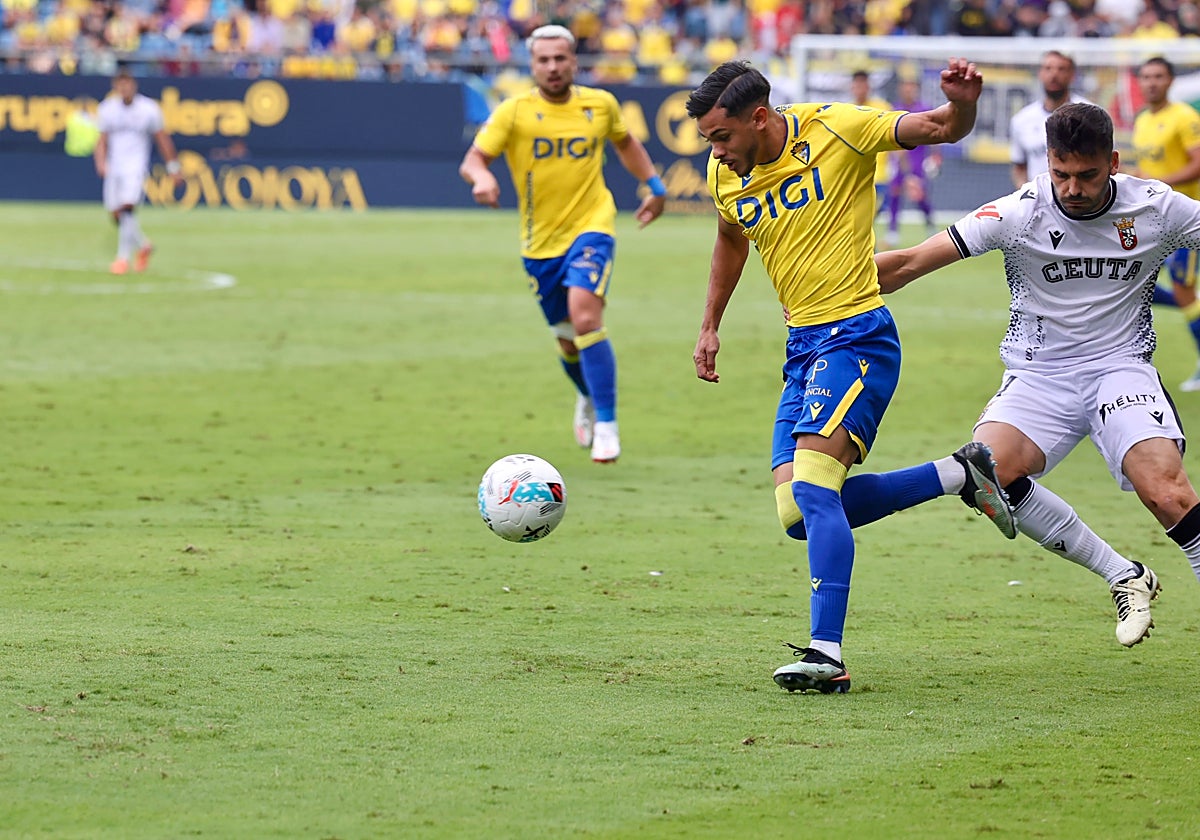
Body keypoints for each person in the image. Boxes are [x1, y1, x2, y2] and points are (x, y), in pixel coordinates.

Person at [685, 58, 1013, 695]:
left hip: (858, 334)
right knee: (799, 513)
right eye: (708, 142)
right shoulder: (726, 171)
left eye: (721, 137)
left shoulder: (838, 128)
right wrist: (709, 325)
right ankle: (959, 473)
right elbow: (731, 239)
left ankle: (825, 653)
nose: (716, 153)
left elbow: (943, 128)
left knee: (812, 486)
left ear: (759, 118)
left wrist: (963, 103)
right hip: (803, 343)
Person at [876, 103, 1200, 649]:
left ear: (1114, 163)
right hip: (1039, 375)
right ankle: (1124, 575)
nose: (1072, 188)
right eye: (1061, 174)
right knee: (985, 476)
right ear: (1047, 164)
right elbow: (909, 262)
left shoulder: (1156, 207)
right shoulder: (1017, 213)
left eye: (1088, 175)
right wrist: (828, 287)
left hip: (1120, 369)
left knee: (1166, 492)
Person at [458, 24, 666, 463]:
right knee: (568, 339)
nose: (553, 67)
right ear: (532, 65)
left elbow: (626, 144)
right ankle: (588, 398)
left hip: (593, 225)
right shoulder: (514, 111)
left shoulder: (600, 104)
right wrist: (481, 178)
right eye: (543, 60)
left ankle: (607, 424)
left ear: (574, 61)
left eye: (560, 58)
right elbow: (474, 158)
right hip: (539, 244)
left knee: (585, 315)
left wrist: (653, 185)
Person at [1128, 56, 1200, 392]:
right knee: (1136, 282)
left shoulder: (1185, 117)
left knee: (1184, 290)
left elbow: (1197, 165)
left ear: (1170, 81)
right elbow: (1146, 170)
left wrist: (1159, 184)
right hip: (1154, 220)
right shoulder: (1142, 120)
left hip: (1185, 218)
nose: (1152, 82)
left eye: (1158, 76)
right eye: (1146, 77)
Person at [93, 68, 182, 276]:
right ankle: (143, 245)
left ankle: (122, 259)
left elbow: (162, 139)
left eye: (128, 84)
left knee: (127, 209)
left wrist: (173, 168)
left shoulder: (149, 109)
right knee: (116, 214)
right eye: (120, 84)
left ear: (134, 85)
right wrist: (101, 162)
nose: (124, 88)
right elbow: (102, 140)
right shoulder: (107, 109)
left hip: (135, 166)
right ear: (115, 87)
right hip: (115, 166)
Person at [1009, 50, 1088, 189]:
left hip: (1078, 198)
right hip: (1039, 202)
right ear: (1040, 73)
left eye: (1061, 69)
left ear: (1072, 75)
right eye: (1048, 68)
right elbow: (1019, 167)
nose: (1054, 75)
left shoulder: (1089, 115)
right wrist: (1026, 195)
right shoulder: (1021, 120)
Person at [884, 77, 941, 245]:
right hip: (898, 161)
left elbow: (936, 134)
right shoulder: (894, 109)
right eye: (905, 86)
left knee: (919, 196)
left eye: (911, 87)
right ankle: (892, 231)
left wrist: (935, 156)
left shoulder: (924, 109)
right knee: (894, 194)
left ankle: (930, 224)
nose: (908, 90)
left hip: (917, 162)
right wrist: (889, 159)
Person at [849, 69, 892, 215]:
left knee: (870, 214)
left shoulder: (882, 108)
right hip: (855, 175)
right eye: (857, 85)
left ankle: (890, 234)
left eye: (863, 84)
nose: (860, 89)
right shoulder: (846, 111)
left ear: (868, 86)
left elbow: (895, 137)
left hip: (879, 174)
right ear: (852, 87)